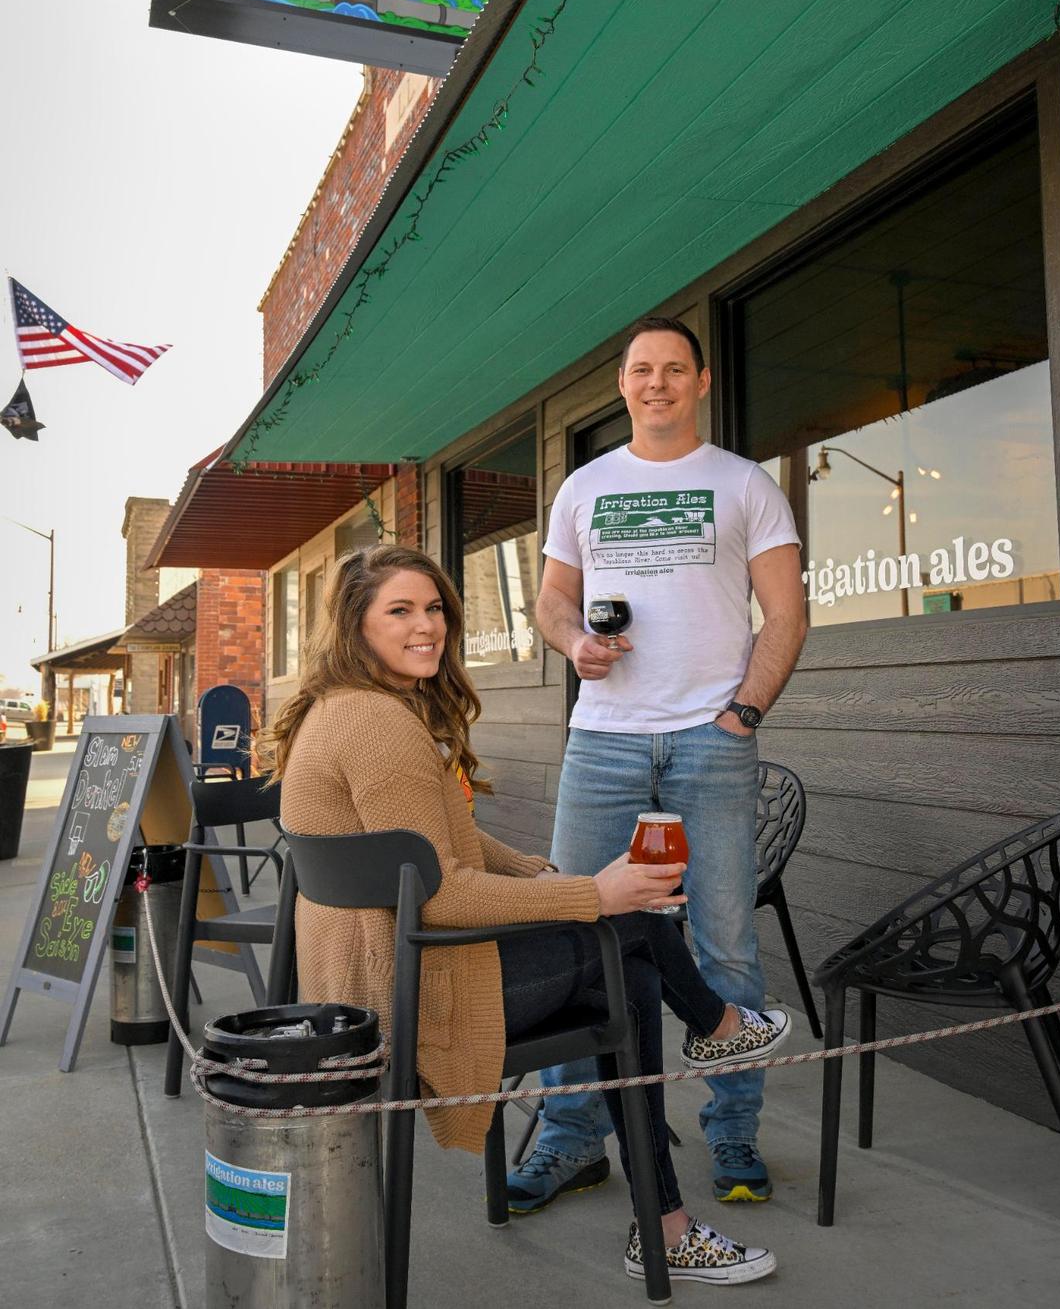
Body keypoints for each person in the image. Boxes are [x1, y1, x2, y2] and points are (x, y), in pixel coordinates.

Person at [268, 544, 790, 1287]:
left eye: (435, 607)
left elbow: (436, 841)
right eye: (401, 610)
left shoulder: (349, 709)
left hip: (378, 977)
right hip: (412, 993)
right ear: (355, 625)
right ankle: (715, 1039)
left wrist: (539, 872)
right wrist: (591, 893)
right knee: (632, 930)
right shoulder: (379, 727)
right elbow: (441, 893)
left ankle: (669, 1210)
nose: (429, 626)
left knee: (631, 968)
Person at [506, 315, 806, 1216]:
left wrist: (740, 713)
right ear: (624, 385)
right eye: (642, 370)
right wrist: (573, 646)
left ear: (702, 381)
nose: (657, 383)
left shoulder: (745, 484)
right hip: (602, 737)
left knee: (723, 942)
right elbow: (554, 602)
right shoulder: (586, 487)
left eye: (675, 369)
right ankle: (570, 1138)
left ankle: (734, 1130)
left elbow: (785, 614)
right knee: (576, 929)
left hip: (712, 742)